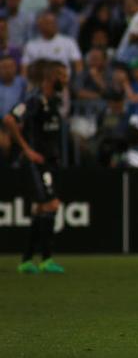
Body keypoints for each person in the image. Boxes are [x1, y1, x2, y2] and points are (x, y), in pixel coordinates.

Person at [4, 61, 68, 274]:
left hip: (50, 161)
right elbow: (10, 119)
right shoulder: (34, 100)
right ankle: (46, 259)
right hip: (36, 163)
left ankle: (27, 260)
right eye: (62, 76)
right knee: (52, 205)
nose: (66, 81)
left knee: (40, 209)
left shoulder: (54, 101)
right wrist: (27, 149)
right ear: (50, 78)